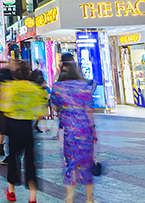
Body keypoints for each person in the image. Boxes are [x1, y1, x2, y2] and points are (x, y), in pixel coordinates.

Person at [0, 61, 46, 203]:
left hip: (13, 126)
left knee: (13, 158)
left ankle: (11, 192)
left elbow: (2, 107)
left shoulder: (7, 87)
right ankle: (32, 196)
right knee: (30, 160)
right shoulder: (34, 88)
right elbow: (41, 111)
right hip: (27, 127)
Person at [50, 60, 96, 203]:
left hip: (68, 131)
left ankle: (69, 199)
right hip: (85, 130)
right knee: (87, 163)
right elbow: (89, 110)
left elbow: (55, 107)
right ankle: (89, 199)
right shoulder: (84, 86)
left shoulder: (58, 87)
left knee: (69, 164)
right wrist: (93, 130)